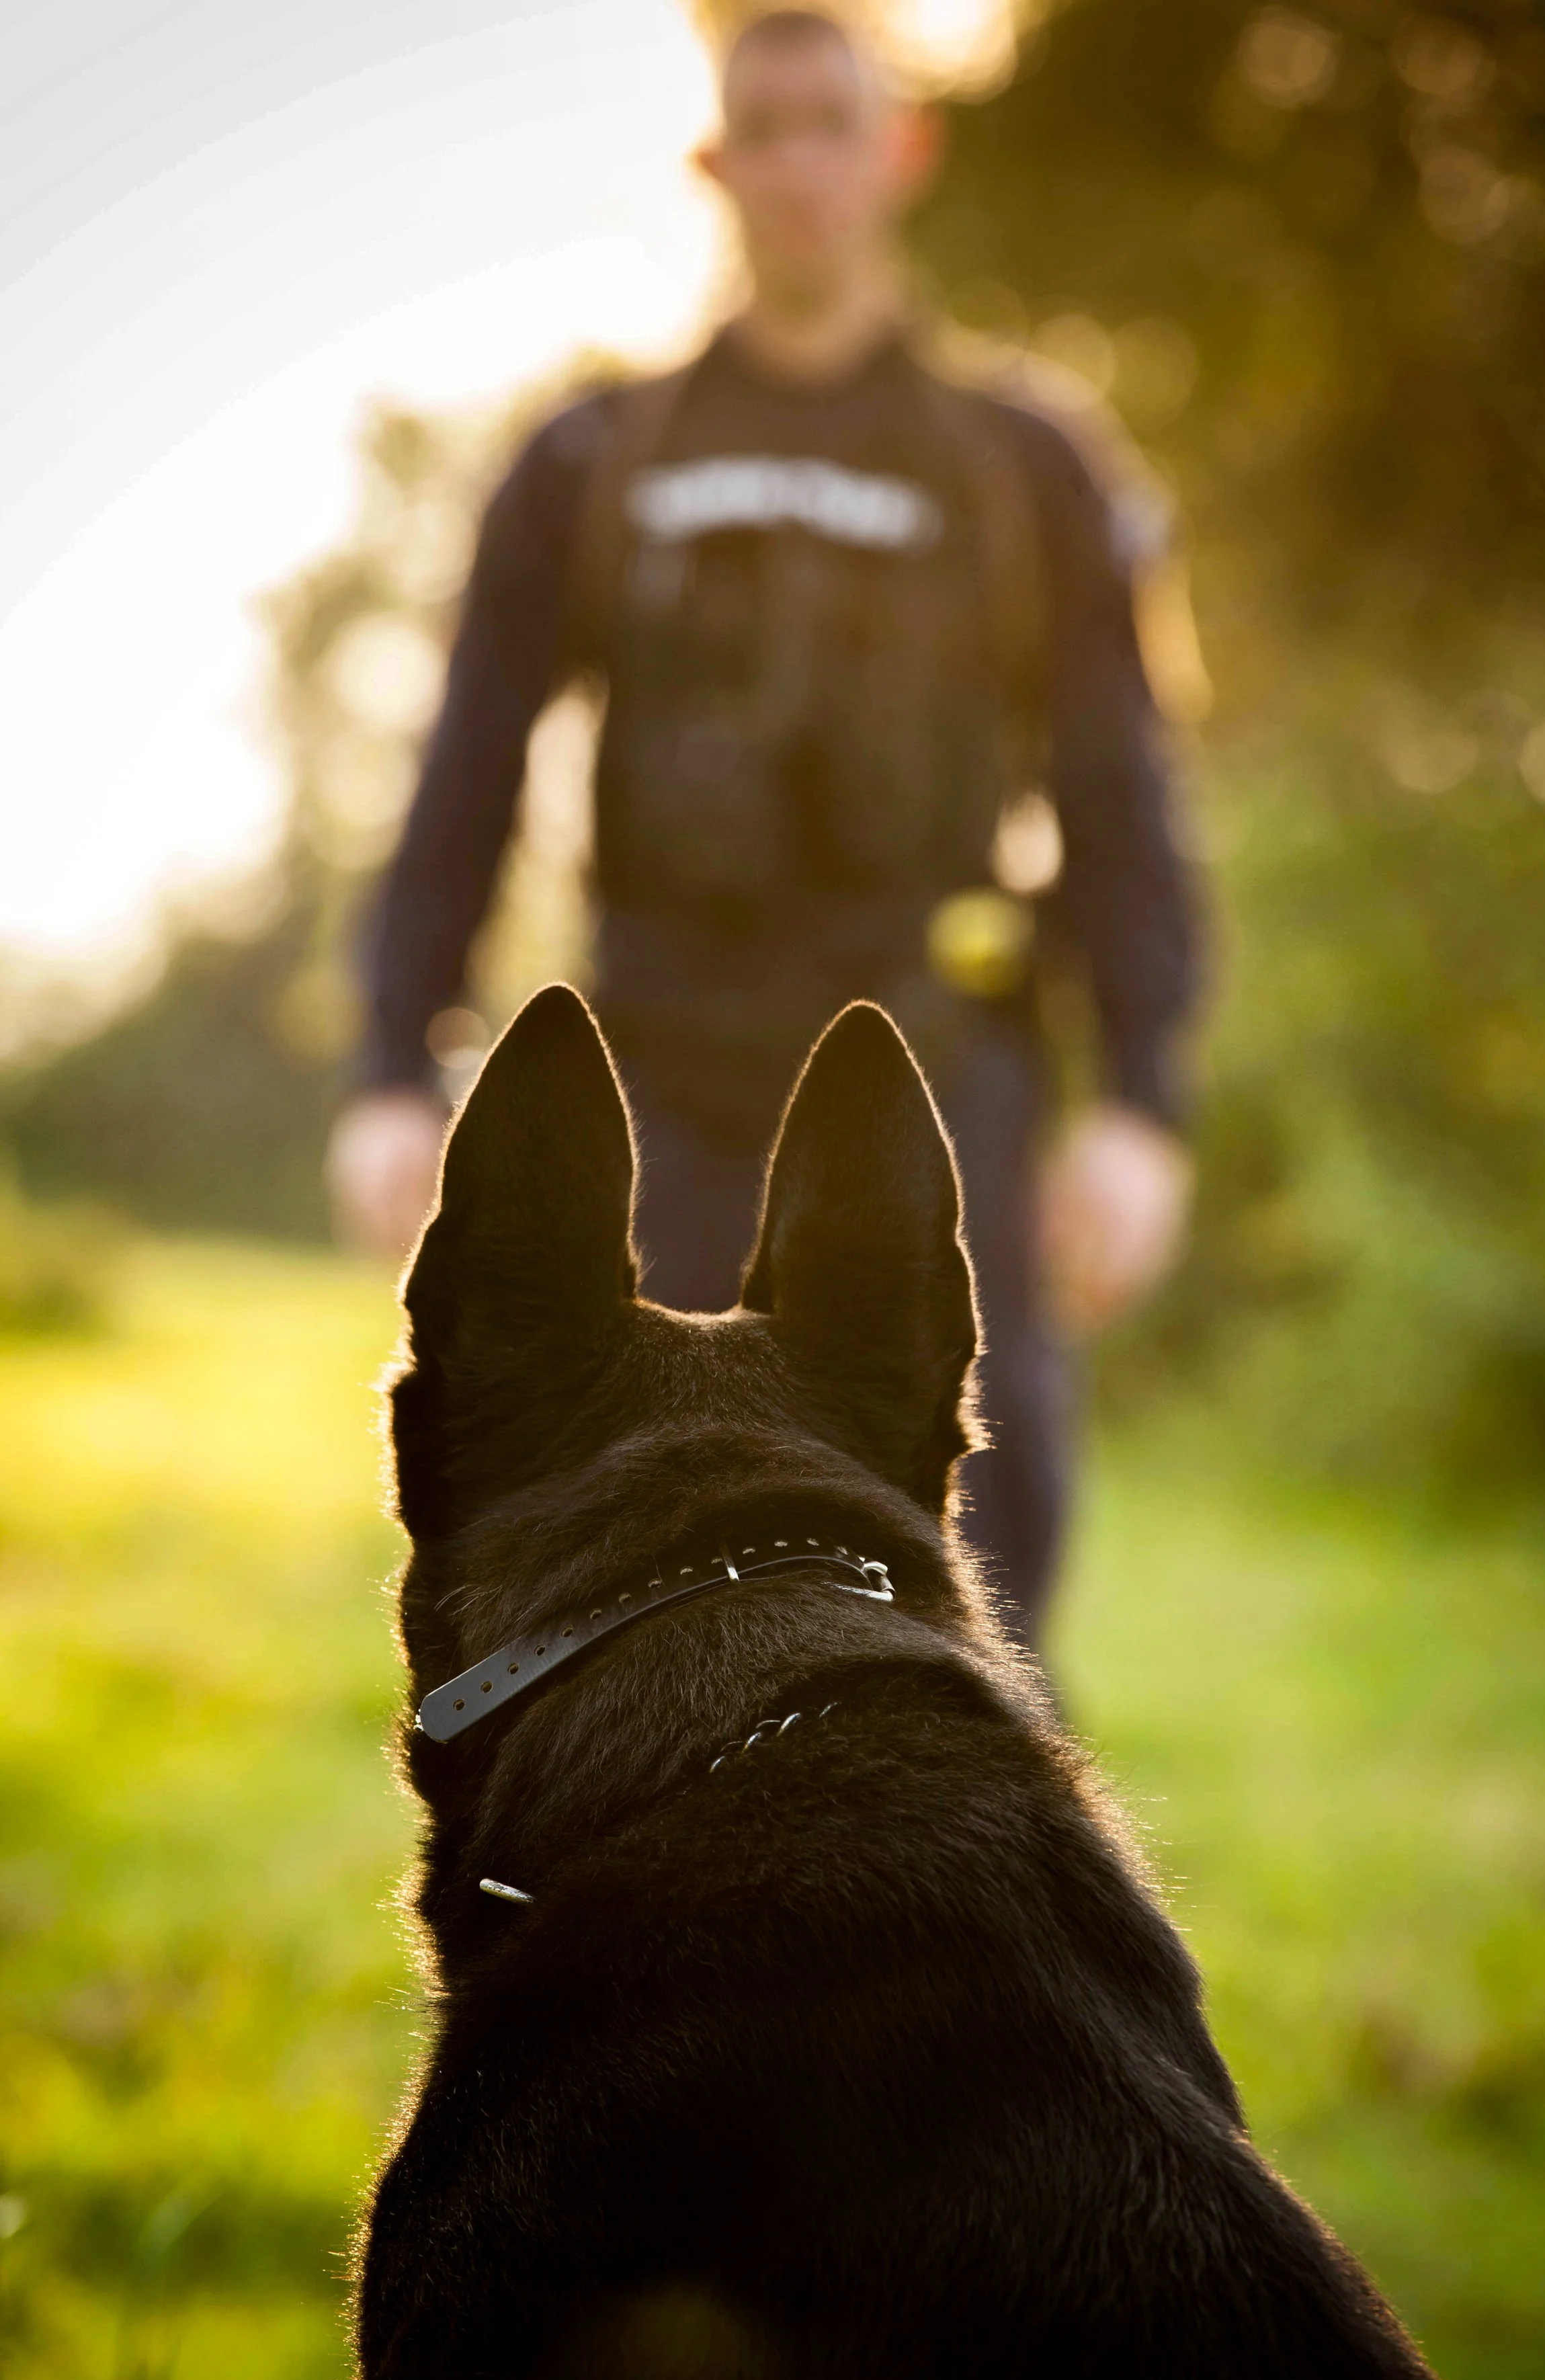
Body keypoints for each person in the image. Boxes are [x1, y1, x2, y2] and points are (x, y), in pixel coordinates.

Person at [328, 5, 1202, 1645]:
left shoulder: (1024, 468)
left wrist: (1141, 1101)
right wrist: (389, 1066)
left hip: (942, 1098)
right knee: (623, 1603)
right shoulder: (585, 462)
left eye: (831, 123)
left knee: (960, 1611)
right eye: (764, 128)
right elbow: (464, 776)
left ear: (901, 148)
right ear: (712, 163)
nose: (798, 166)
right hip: (660, 1105)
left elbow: (1119, 803)